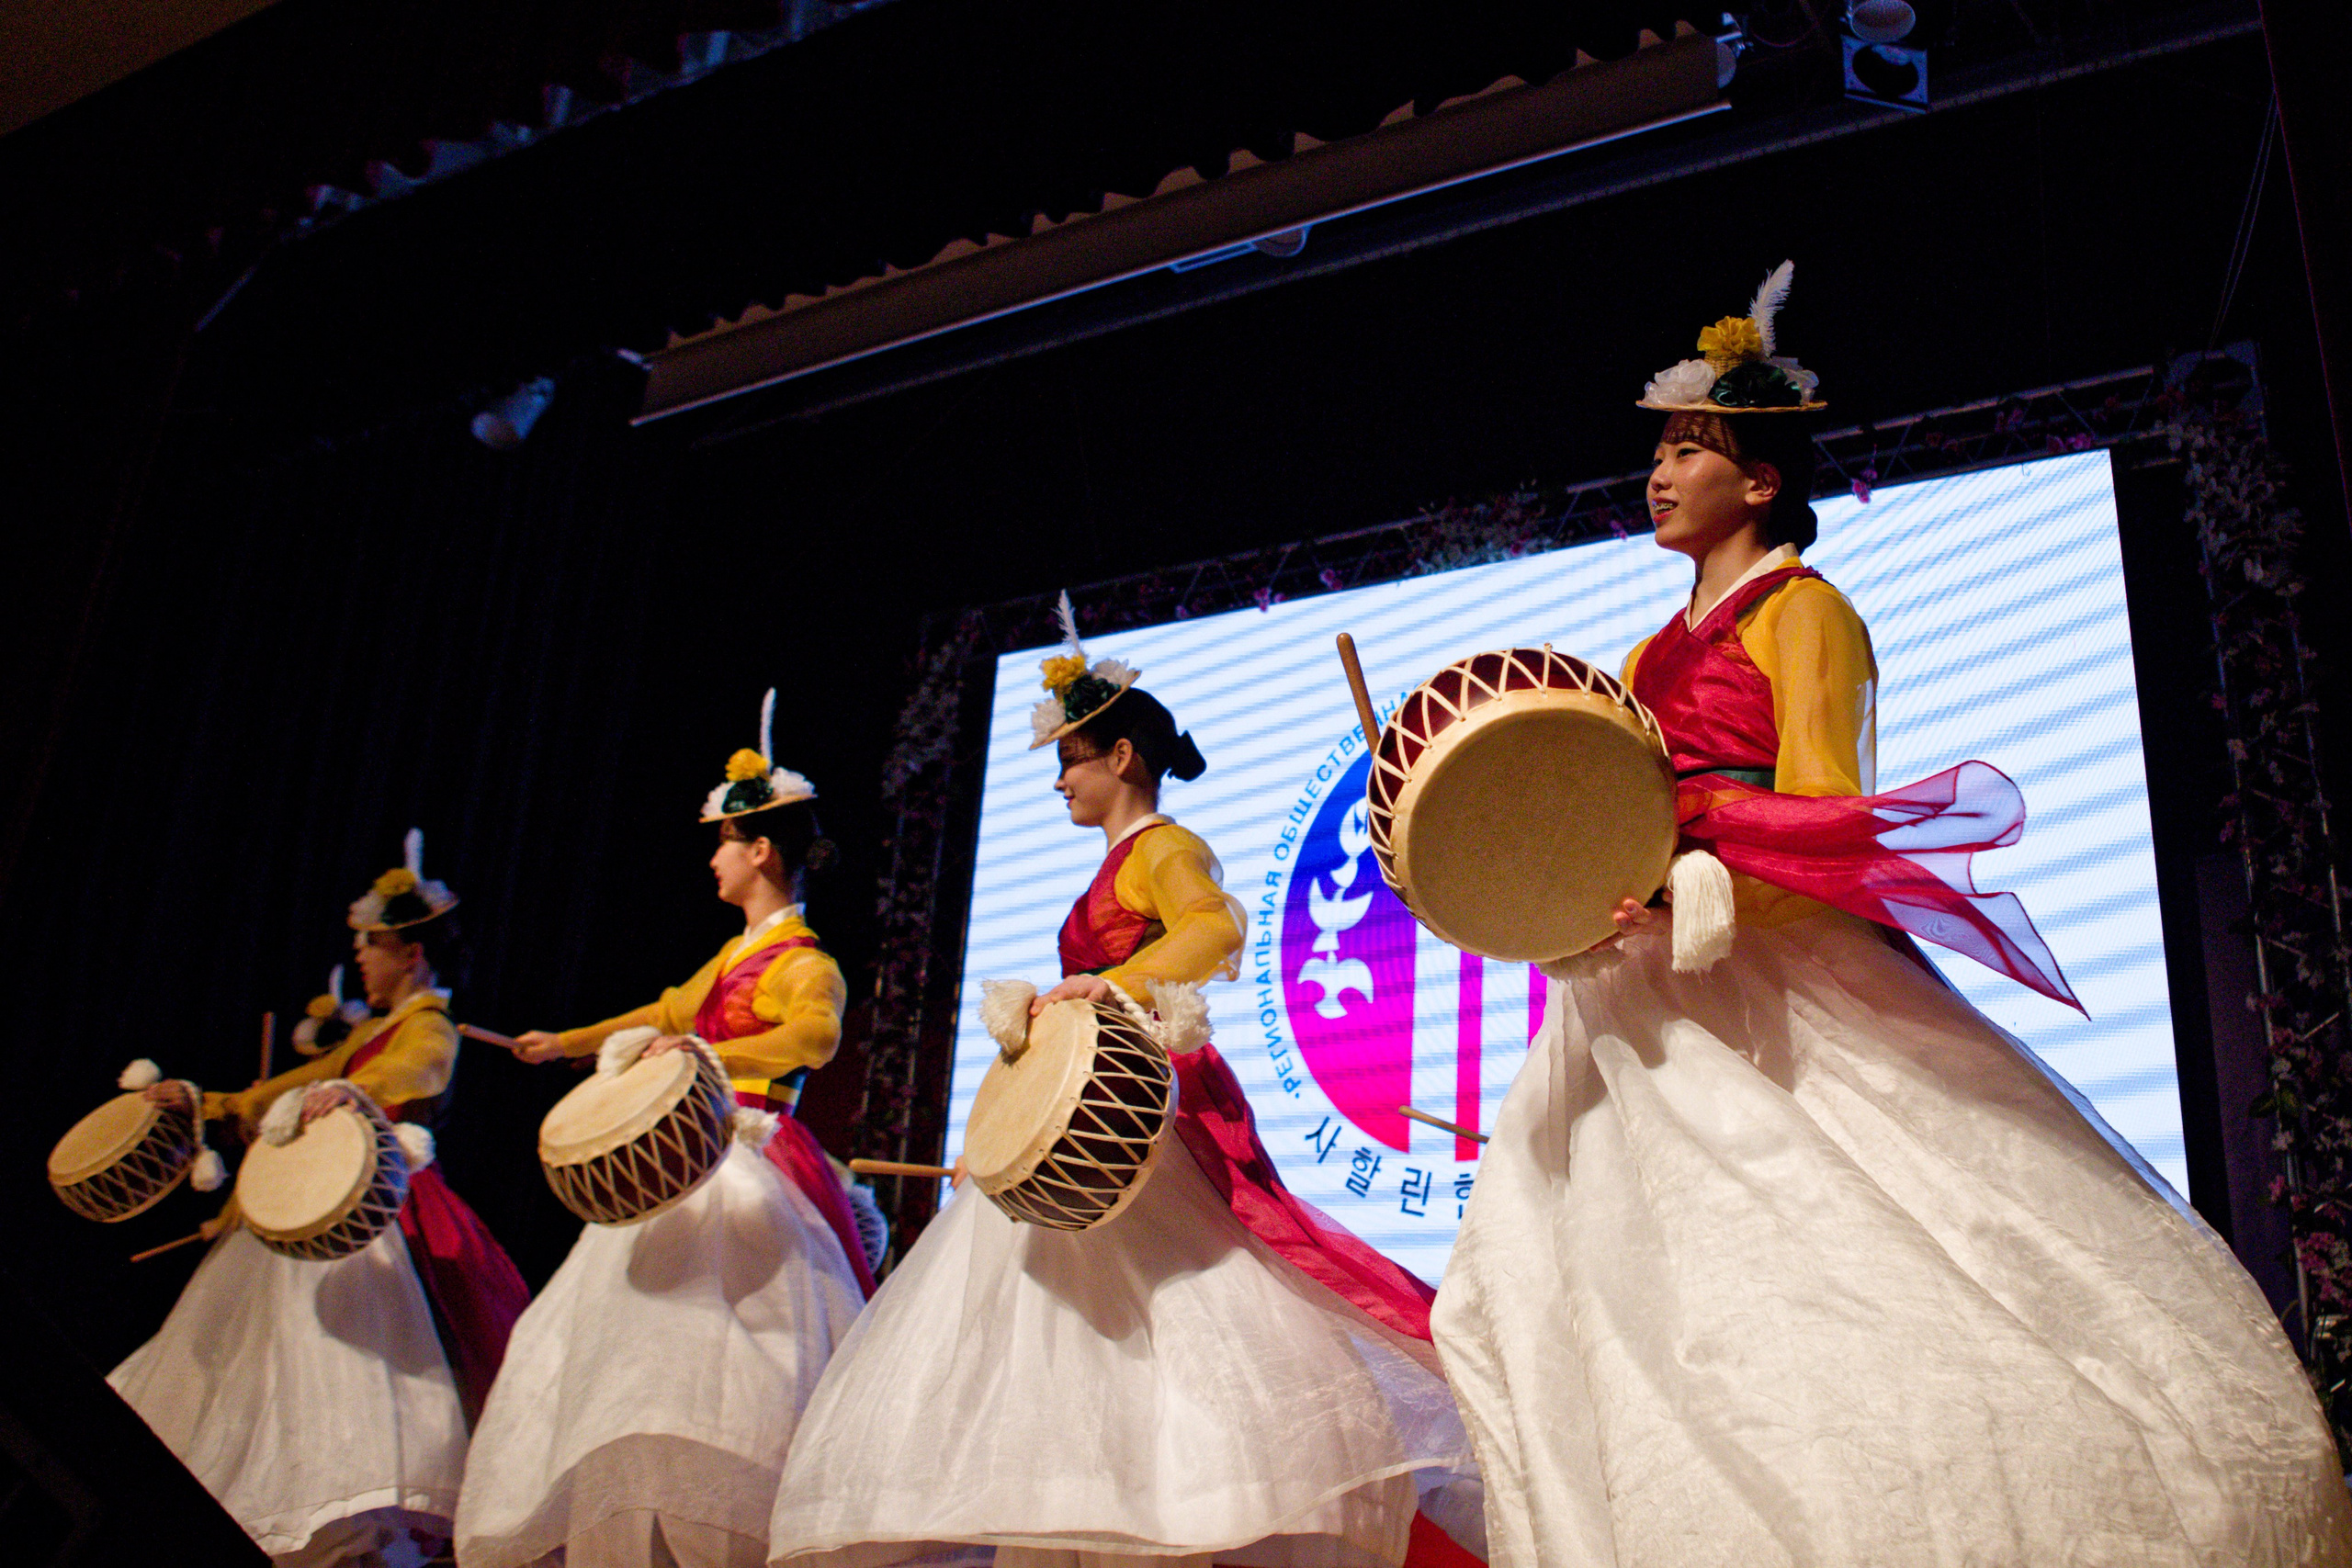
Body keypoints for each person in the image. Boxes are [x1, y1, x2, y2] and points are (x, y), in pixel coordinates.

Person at [1430, 263, 2352, 1566]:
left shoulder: (1808, 614)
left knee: (1828, 1258)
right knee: (1593, 1273)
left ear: (1759, 482)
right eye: (1659, 452)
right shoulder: (1642, 658)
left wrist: (1700, 877)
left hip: (1764, 966)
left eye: (1688, 448)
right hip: (1637, 980)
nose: (1659, 473)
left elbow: (1827, 812)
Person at [767, 598, 1483, 1568]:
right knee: (1076, 1328)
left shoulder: (1163, 849)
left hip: (1146, 1105)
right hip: (1099, 1095)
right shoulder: (1112, 862)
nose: (1059, 777)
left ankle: (1176, 1505)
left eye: (1072, 757)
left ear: (1123, 760)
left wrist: (1104, 986)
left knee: (1169, 1307)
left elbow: (1215, 932)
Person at [456, 693, 870, 1568]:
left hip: (750, 1157)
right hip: (691, 1162)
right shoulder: (733, 955)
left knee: (721, 1359)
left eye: (724, 841)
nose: (713, 857)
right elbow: (665, 1009)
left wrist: (706, 1052)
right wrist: (562, 1043)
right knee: (635, 1350)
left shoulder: (805, 959)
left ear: (761, 849)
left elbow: (816, 1037)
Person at [110, 832, 529, 1566]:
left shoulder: (426, 1025)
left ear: (412, 953)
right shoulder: (373, 1029)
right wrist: (201, 1103)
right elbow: (274, 1094)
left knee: (349, 1361)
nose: (361, 956)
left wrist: (352, 1092)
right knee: (272, 1348)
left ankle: (346, 1507)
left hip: (379, 1208)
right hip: (333, 1197)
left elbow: (421, 1071)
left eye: (372, 943)